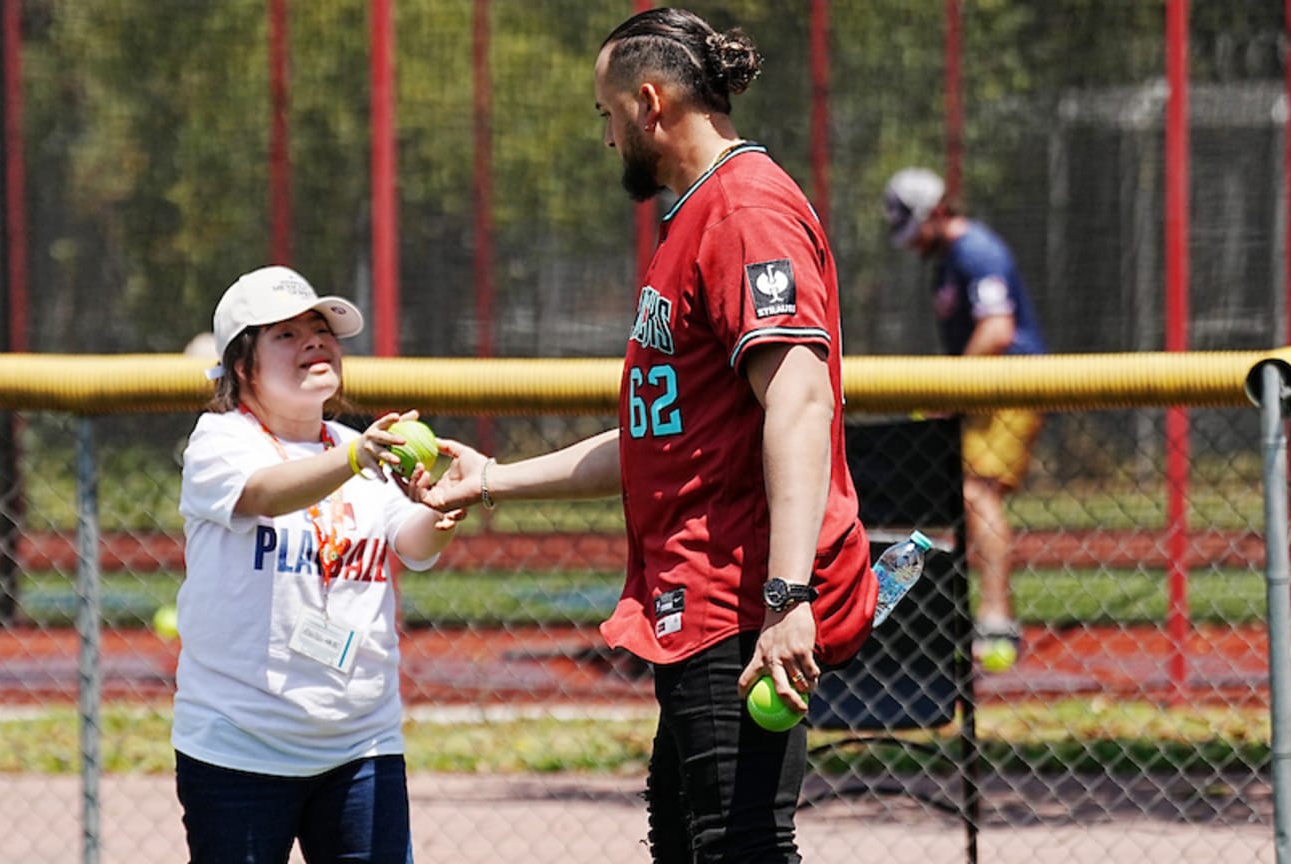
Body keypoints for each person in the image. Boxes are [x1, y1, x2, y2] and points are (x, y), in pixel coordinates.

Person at [420, 9, 876, 862]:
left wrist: (787, 601)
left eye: (607, 114)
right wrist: (490, 480)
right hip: (703, 599)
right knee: (690, 840)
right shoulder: (698, 215)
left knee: (736, 847)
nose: (607, 138)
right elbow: (658, 442)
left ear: (650, 102)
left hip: (738, 599)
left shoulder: (745, 210)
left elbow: (801, 402)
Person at [171, 264, 466, 864]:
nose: (315, 340)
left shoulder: (355, 448)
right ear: (242, 365)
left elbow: (410, 543)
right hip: (239, 746)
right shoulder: (221, 440)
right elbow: (265, 493)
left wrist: (440, 513)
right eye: (286, 334)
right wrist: (358, 456)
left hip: (361, 742)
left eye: (322, 329)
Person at [882, 167, 1048, 668]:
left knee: (978, 492)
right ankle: (966, 613)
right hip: (984, 392)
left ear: (935, 212)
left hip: (1009, 385)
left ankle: (997, 619)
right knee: (963, 494)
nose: (910, 243)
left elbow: (997, 330)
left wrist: (951, 390)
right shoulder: (950, 260)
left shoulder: (977, 250)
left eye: (912, 227)